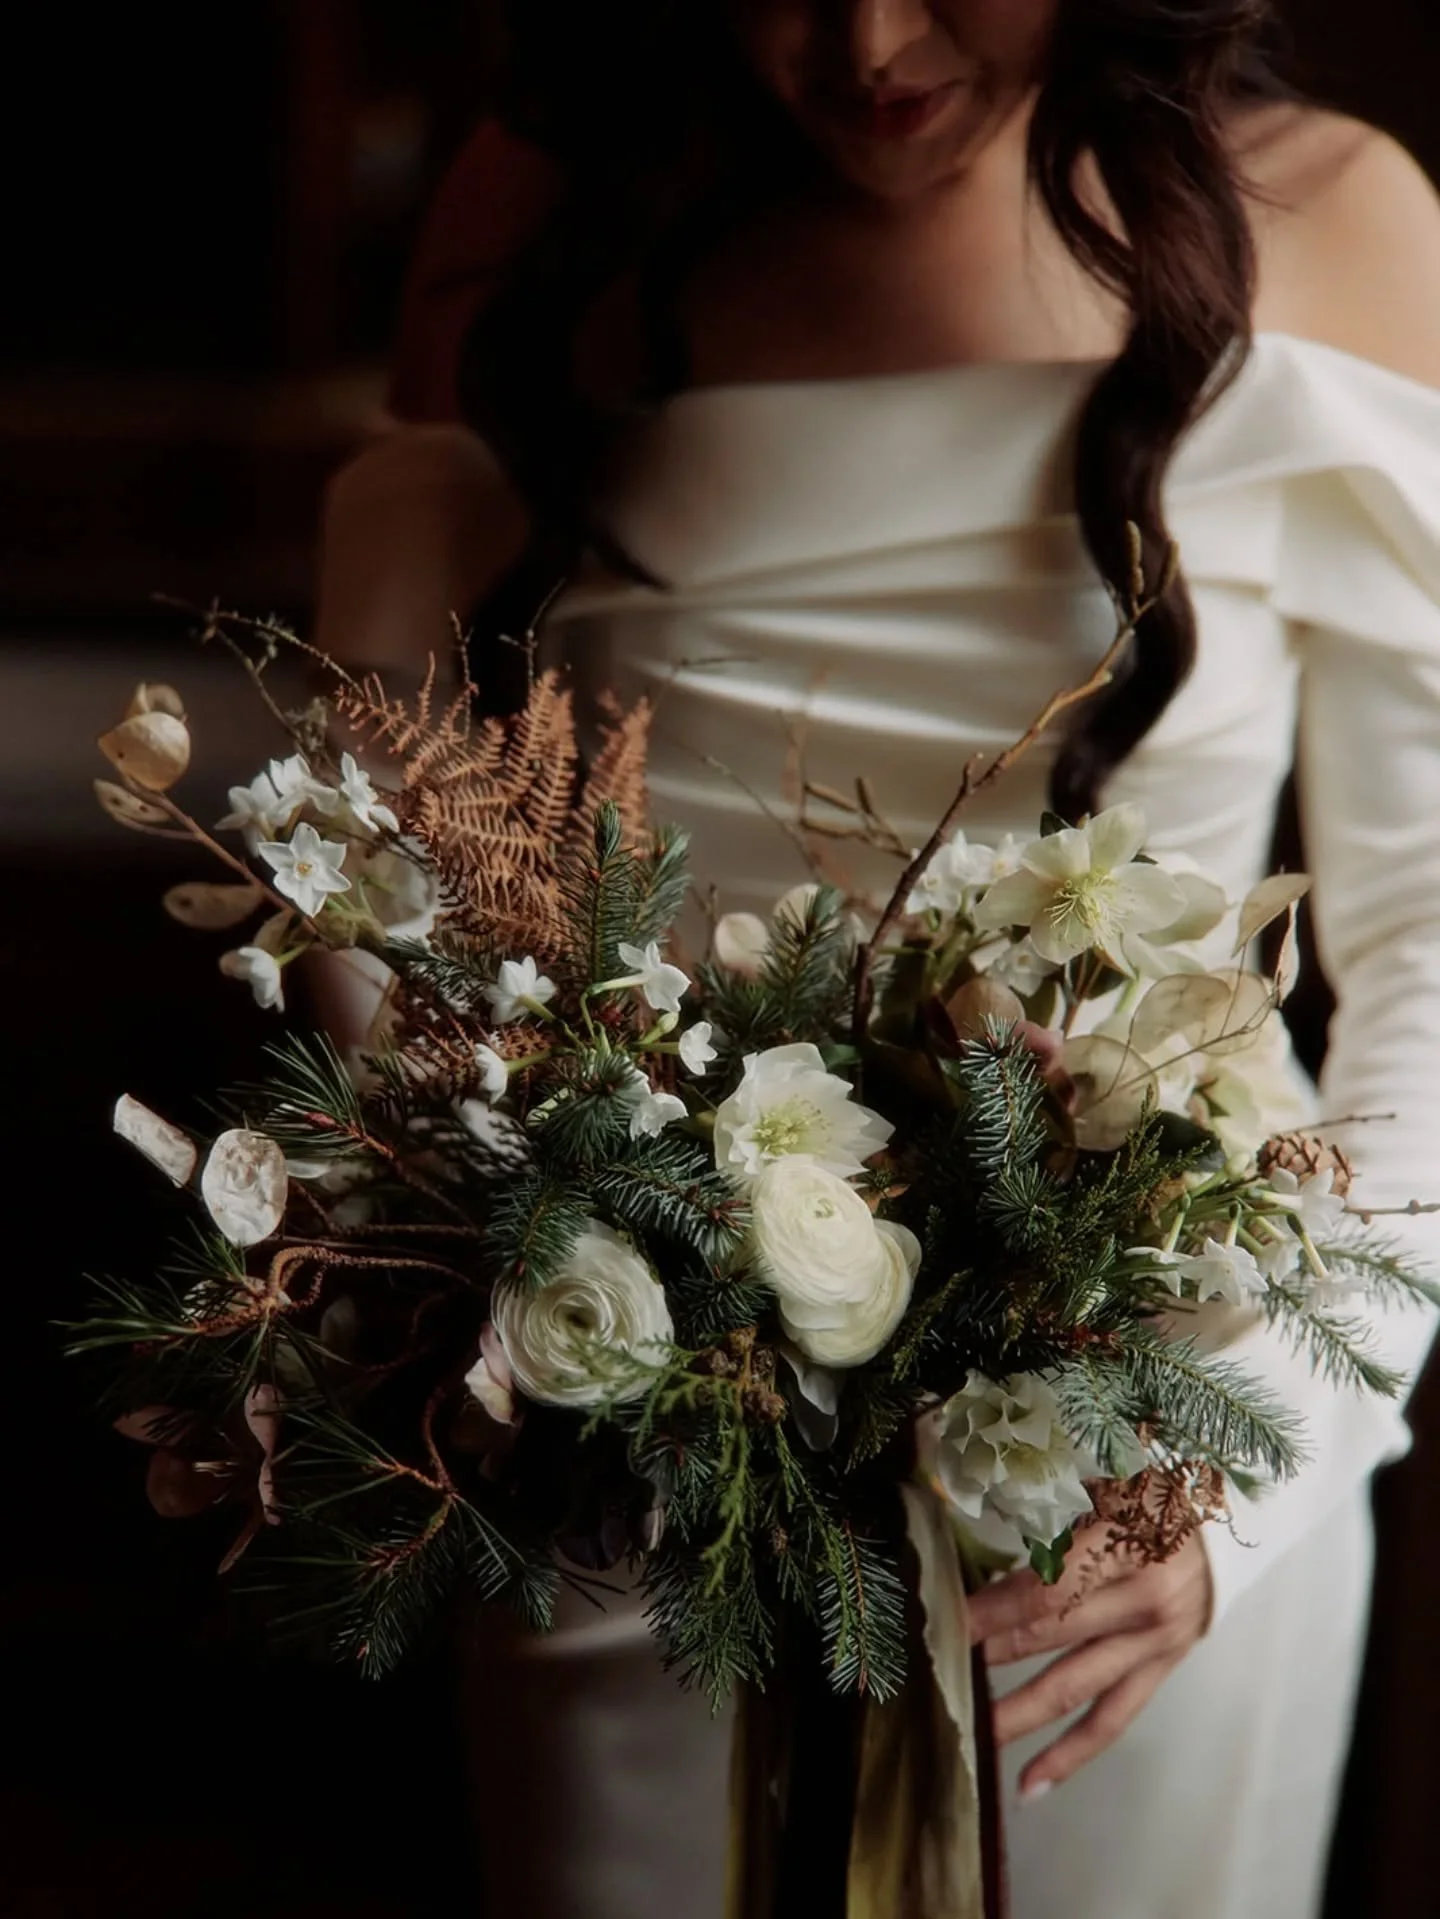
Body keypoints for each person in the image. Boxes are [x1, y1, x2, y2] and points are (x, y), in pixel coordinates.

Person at [314, 4, 1440, 1914]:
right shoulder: (559, 214)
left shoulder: (1338, 221)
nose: (864, 41)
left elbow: (1427, 956)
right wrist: (513, 1293)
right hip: (644, 1468)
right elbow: (405, 881)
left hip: (1144, 1487)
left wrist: (1238, 1495)